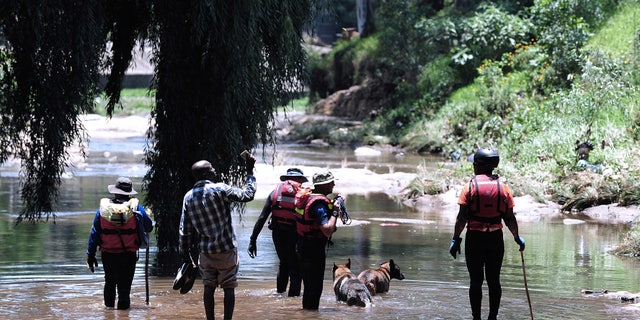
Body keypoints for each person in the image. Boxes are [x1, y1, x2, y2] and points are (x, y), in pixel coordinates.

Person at [449, 148, 525, 320]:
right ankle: (493, 317)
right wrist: (516, 237)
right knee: (494, 280)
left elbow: (461, 218)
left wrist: (455, 239)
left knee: (475, 281)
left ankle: (476, 318)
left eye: (474, 164)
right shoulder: (504, 188)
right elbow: (509, 218)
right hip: (495, 240)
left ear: (478, 166)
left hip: (474, 239)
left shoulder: (469, 188)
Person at [179, 155, 256, 320]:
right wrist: (249, 170)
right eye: (212, 168)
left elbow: (184, 231)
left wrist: (186, 257)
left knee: (208, 287)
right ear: (207, 174)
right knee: (229, 286)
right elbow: (248, 195)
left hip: (205, 252)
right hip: (226, 249)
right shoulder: (220, 189)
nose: (215, 170)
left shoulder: (188, 197)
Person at [86, 177, 153, 310]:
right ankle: (124, 314)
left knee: (109, 282)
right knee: (124, 288)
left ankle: (108, 313)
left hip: (108, 254)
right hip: (128, 254)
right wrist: (147, 215)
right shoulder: (136, 208)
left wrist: (90, 254)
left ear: (115, 192)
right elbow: (149, 227)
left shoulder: (103, 210)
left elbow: (94, 233)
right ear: (129, 193)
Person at [248, 168, 307, 297]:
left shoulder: (274, 193)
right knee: (296, 269)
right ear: (301, 180)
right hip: (295, 235)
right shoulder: (304, 196)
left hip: (278, 234)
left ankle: (280, 295)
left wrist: (253, 240)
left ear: (286, 180)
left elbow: (262, 218)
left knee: (283, 263)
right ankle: (293, 302)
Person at [295, 169, 343, 310]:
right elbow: (327, 230)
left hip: (302, 246)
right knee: (315, 287)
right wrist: (335, 211)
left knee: (309, 286)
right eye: (331, 182)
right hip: (313, 250)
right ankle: (311, 314)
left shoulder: (308, 197)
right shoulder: (319, 204)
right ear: (324, 185)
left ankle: (307, 314)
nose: (333, 184)